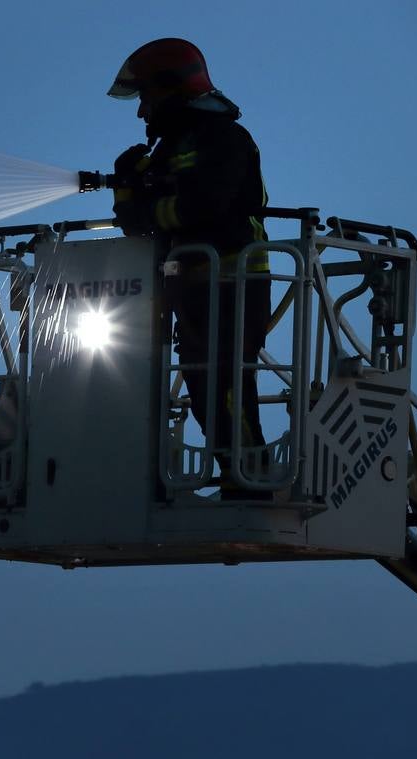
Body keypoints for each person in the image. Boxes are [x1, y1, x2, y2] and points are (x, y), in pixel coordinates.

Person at [107, 38, 272, 498]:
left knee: (223, 384)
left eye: (145, 98)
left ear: (168, 91)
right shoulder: (175, 146)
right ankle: (242, 474)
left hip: (232, 279)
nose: (142, 113)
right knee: (205, 385)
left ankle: (251, 479)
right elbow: (146, 222)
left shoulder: (223, 138)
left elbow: (206, 206)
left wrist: (145, 206)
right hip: (195, 283)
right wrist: (128, 192)